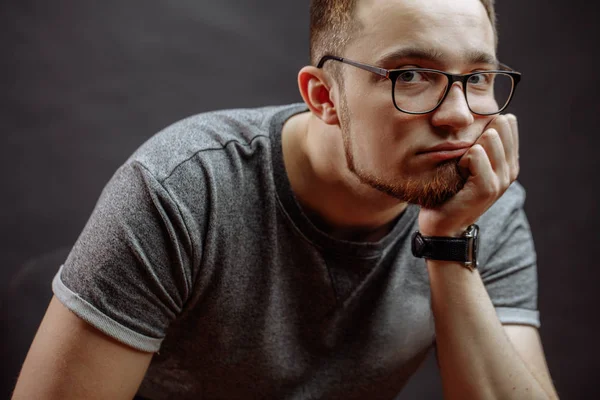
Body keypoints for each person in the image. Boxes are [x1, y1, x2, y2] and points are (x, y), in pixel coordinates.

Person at [12, 0, 559, 398]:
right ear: (324, 97)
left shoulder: (484, 203)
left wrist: (447, 245)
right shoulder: (183, 188)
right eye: (411, 75)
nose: (460, 115)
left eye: (479, 76)